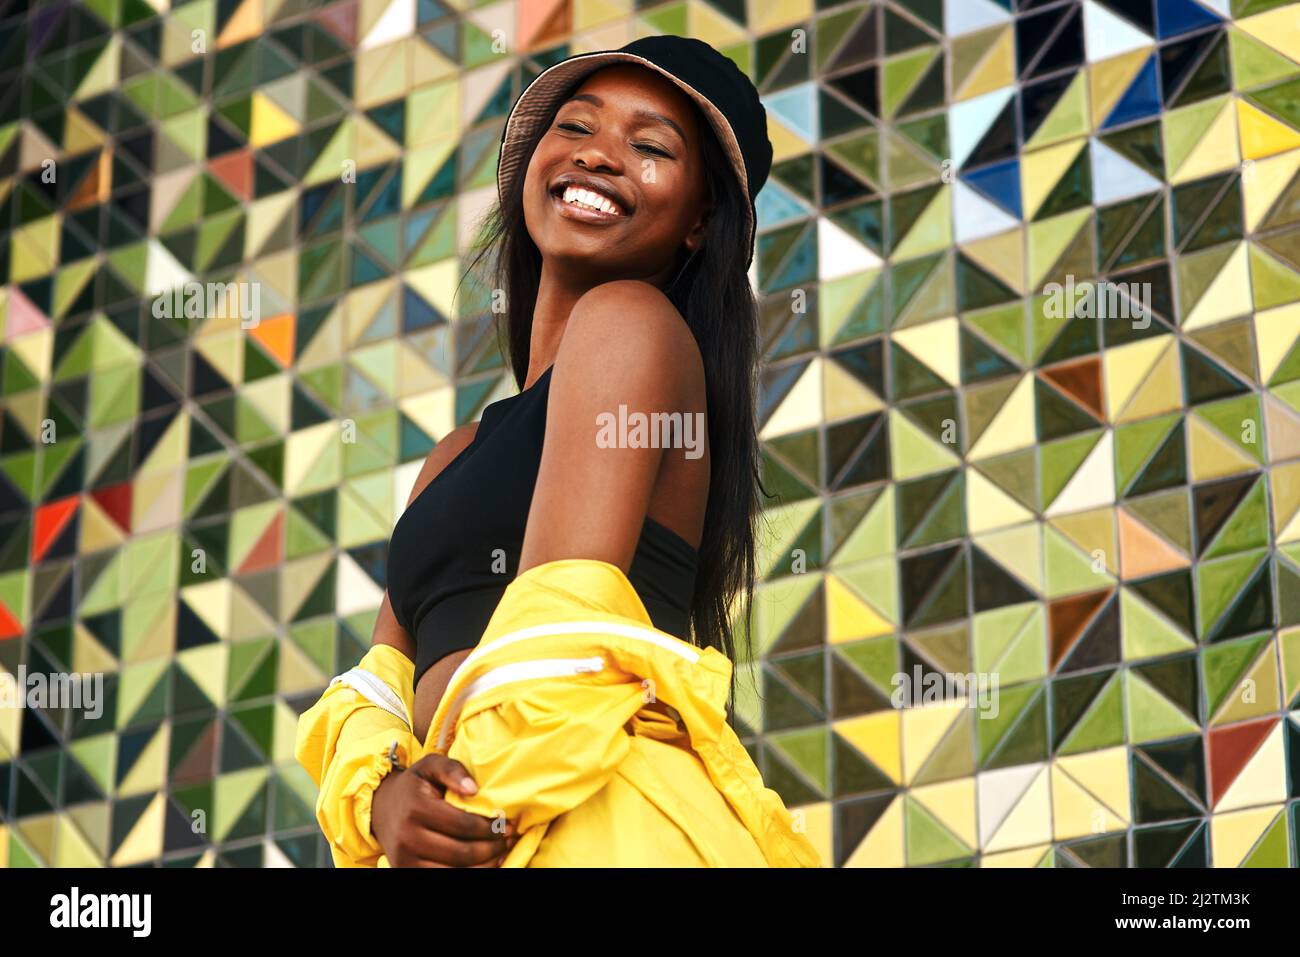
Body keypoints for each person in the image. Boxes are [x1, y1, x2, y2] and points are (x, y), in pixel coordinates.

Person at [300, 34, 795, 867]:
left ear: (699, 220)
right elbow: (378, 683)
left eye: (650, 147)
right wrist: (382, 791)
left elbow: (550, 648)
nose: (600, 157)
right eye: (575, 127)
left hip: (586, 818)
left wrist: (454, 804)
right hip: (475, 819)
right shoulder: (453, 455)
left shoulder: (630, 321)